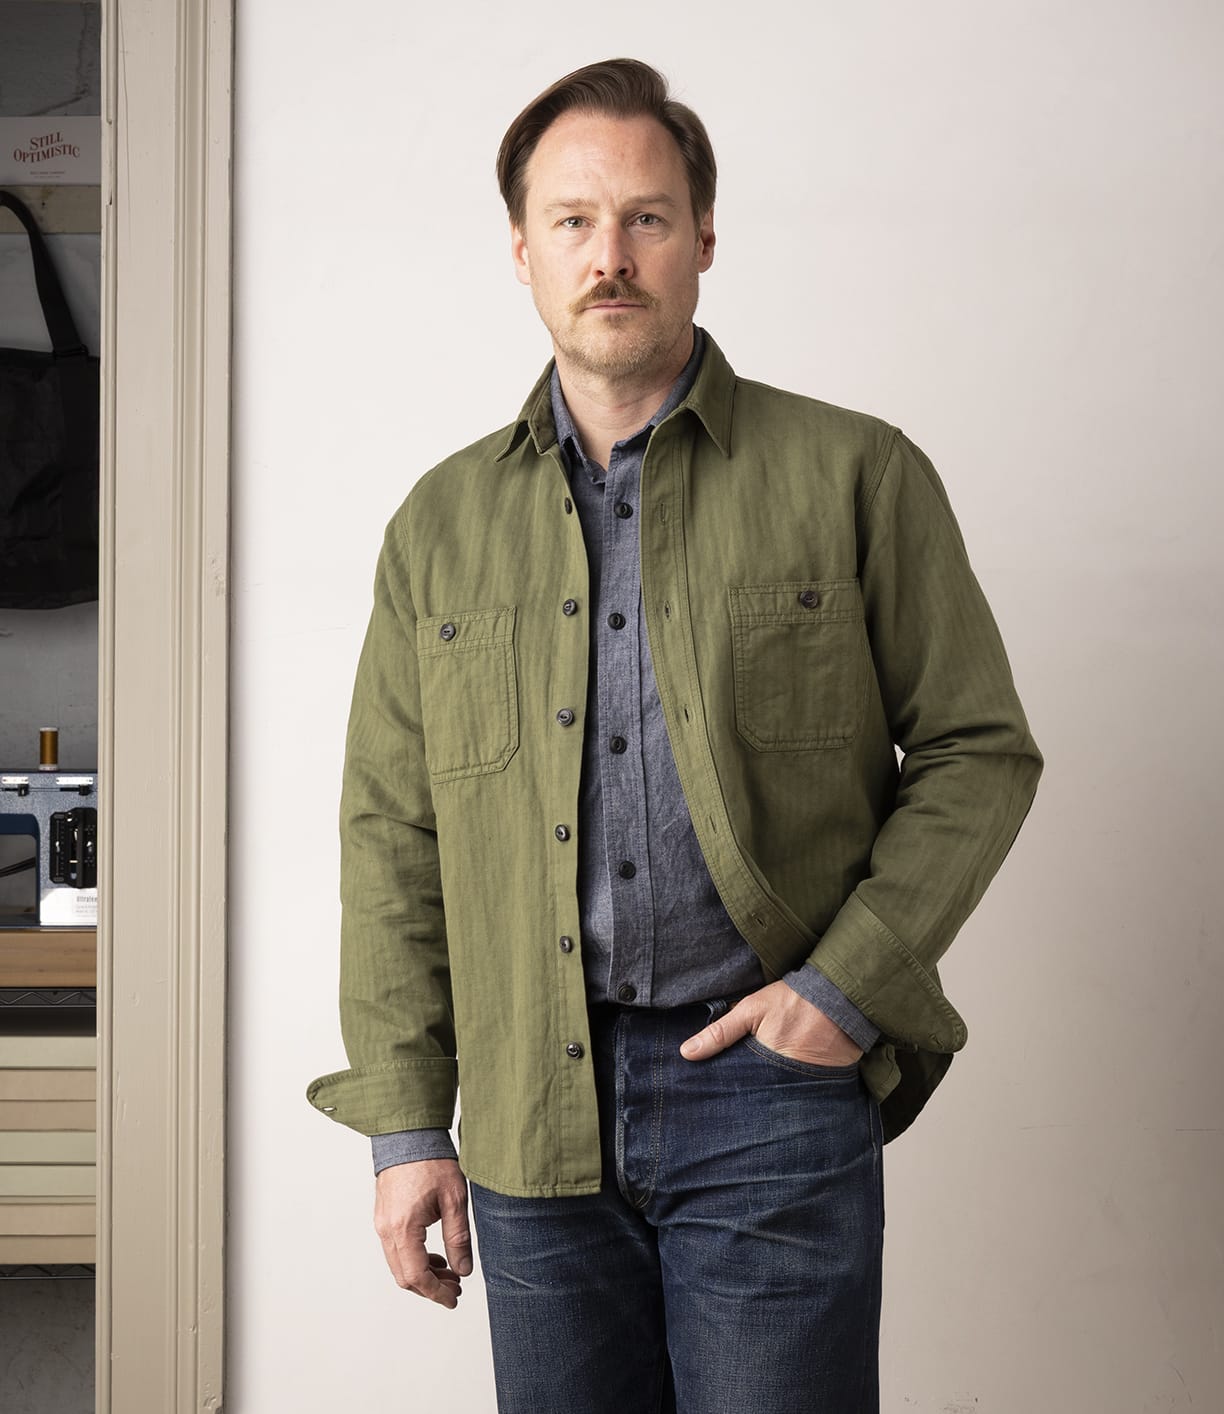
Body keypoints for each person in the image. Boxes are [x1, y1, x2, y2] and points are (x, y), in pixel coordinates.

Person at [307, 56, 1042, 1414]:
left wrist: (844, 990)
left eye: (647, 217)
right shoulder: (439, 525)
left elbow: (978, 749)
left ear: (705, 238)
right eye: (574, 221)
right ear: (520, 251)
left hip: (768, 1095)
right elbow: (393, 836)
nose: (612, 255)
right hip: (533, 1105)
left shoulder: (856, 473)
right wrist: (408, 1126)